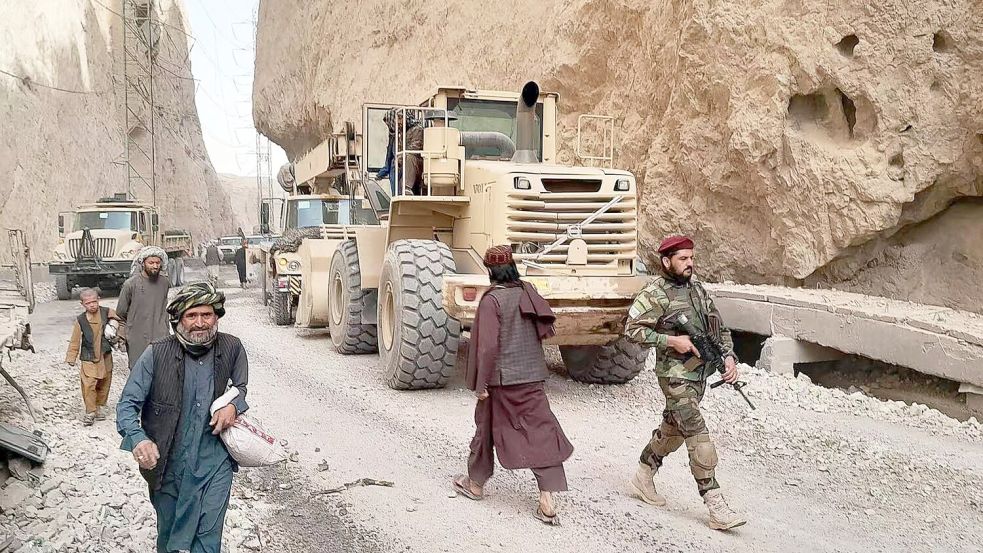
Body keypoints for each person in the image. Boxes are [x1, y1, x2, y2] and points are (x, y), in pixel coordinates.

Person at [624, 235, 746, 531]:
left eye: (691, 257)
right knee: (696, 431)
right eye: (683, 258)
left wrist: (729, 359)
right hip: (674, 375)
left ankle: (644, 473)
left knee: (674, 429)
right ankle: (715, 504)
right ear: (667, 262)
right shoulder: (655, 293)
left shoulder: (699, 291)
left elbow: (720, 329)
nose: (690, 263)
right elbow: (631, 330)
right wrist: (670, 340)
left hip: (698, 374)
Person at [116, 282, 248, 553]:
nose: (200, 323)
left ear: (216, 316)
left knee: (208, 538)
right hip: (168, 465)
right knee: (169, 536)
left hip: (214, 462)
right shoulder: (157, 353)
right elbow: (127, 405)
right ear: (178, 318)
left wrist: (234, 405)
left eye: (207, 315)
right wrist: (139, 440)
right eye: (192, 315)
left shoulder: (232, 347)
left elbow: (240, 388)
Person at [453, 245, 573, 525]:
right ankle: (547, 498)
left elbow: (487, 348)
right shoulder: (527, 291)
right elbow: (545, 328)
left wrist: (481, 384)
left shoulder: (491, 301)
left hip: (502, 382)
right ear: (512, 267)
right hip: (532, 377)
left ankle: (475, 484)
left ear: (490, 270)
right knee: (541, 432)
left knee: (485, 428)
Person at [65, 288, 119, 425]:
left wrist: (113, 327)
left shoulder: (107, 312)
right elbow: (75, 339)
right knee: (89, 384)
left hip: (105, 354)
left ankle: (99, 407)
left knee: (105, 382)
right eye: (88, 303)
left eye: (94, 302)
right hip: (89, 356)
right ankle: (90, 411)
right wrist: (71, 357)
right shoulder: (81, 320)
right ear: (82, 304)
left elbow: (121, 322)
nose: (92, 305)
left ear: (98, 300)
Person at [117, 246, 171, 369]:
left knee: (161, 370)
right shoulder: (130, 284)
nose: (155, 266)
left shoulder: (165, 283)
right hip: (137, 337)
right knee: (138, 371)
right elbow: (121, 311)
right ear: (143, 263)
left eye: (157, 262)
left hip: (160, 335)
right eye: (151, 263)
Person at [377, 108, 425, 195]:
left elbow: (415, 147)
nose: (397, 122)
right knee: (394, 164)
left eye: (400, 118)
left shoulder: (417, 129)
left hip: (417, 163)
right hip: (404, 163)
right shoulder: (400, 134)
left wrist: (400, 159)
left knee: (407, 157)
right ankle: (397, 193)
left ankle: (406, 188)